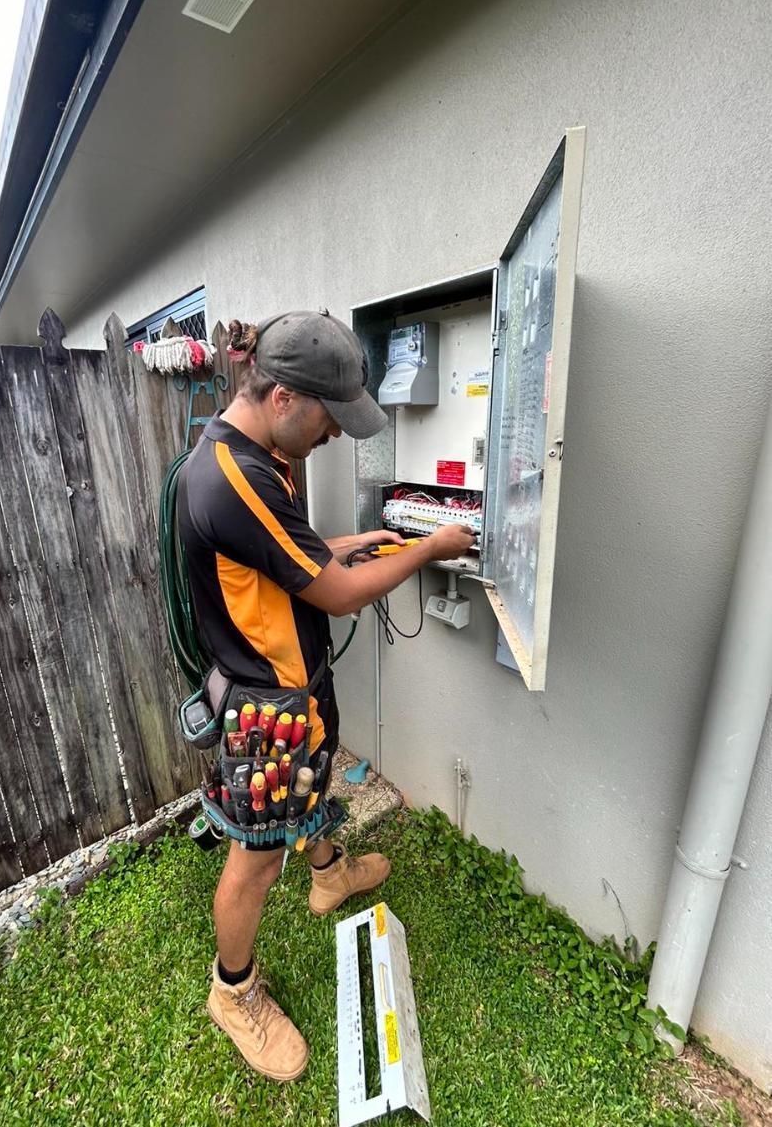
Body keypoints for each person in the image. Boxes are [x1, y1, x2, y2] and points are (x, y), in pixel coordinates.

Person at [177, 310, 476, 1082]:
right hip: (261, 704)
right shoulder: (233, 477)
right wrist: (429, 547)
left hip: (292, 688)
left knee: (307, 792)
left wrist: (351, 542)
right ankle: (232, 990)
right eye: (329, 418)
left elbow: (290, 558)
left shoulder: (251, 452)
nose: (336, 436)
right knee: (253, 860)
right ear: (281, 398)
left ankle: (330, 872)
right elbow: (337, 595)